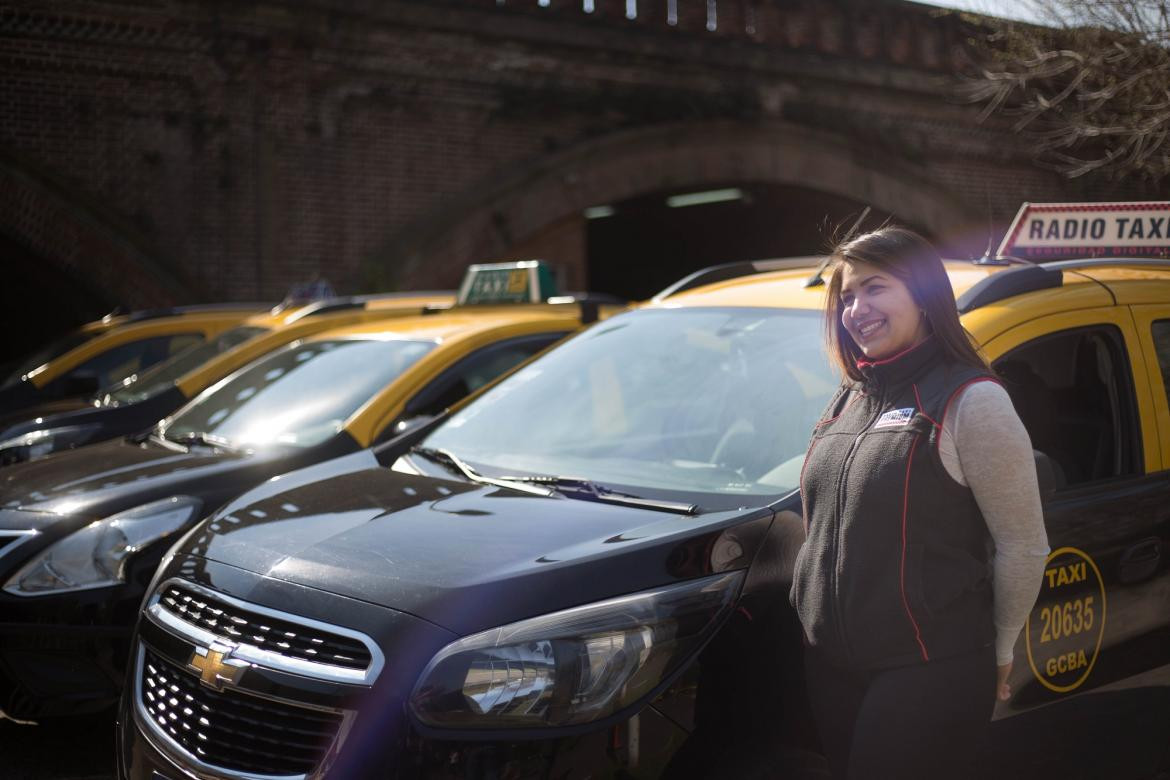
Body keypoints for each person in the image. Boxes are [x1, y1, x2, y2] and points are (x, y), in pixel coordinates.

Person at [790, 227, 1050, 779]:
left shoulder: (971, 400)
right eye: (846, 297)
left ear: (926, 294)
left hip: (930, 666)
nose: (856, 309)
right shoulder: (850, 398)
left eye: (875, 288)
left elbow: (1023, 545)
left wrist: (1001, 649)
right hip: (832, 666)